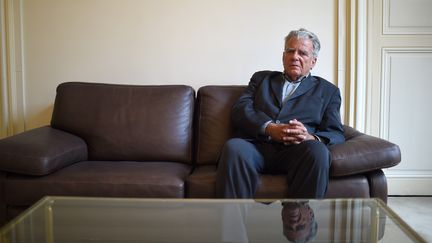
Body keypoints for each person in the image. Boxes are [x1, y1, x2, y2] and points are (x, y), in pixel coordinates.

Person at [215, 28, 345, 199]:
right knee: (234, 147)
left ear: (313, 61)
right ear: (283, 56)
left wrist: (310, 138)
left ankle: (300, 224)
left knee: (318, 152)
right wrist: (269, 128)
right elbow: (240, 109)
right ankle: (232, 226)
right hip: (256, 147)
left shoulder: (328, 91)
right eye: (290, 51)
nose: (295, 56)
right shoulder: (261, 79)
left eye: (302, 53)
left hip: (297, 151)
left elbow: (335, 132)